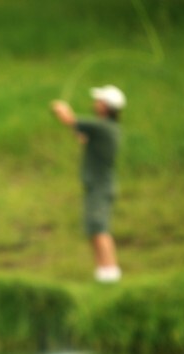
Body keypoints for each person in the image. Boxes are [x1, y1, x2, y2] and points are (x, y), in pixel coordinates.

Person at [50, 85, 125, 283]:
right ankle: (103, 273)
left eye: (99, 101)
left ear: (106, 107)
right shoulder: (107, 129)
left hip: (100, 186)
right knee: (94, 228)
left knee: (100, 229)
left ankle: (111, 273)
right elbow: (83, 137)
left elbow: (70, 120)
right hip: (98, 185)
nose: (95, 104)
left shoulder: (102, 127)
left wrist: (61, 108)